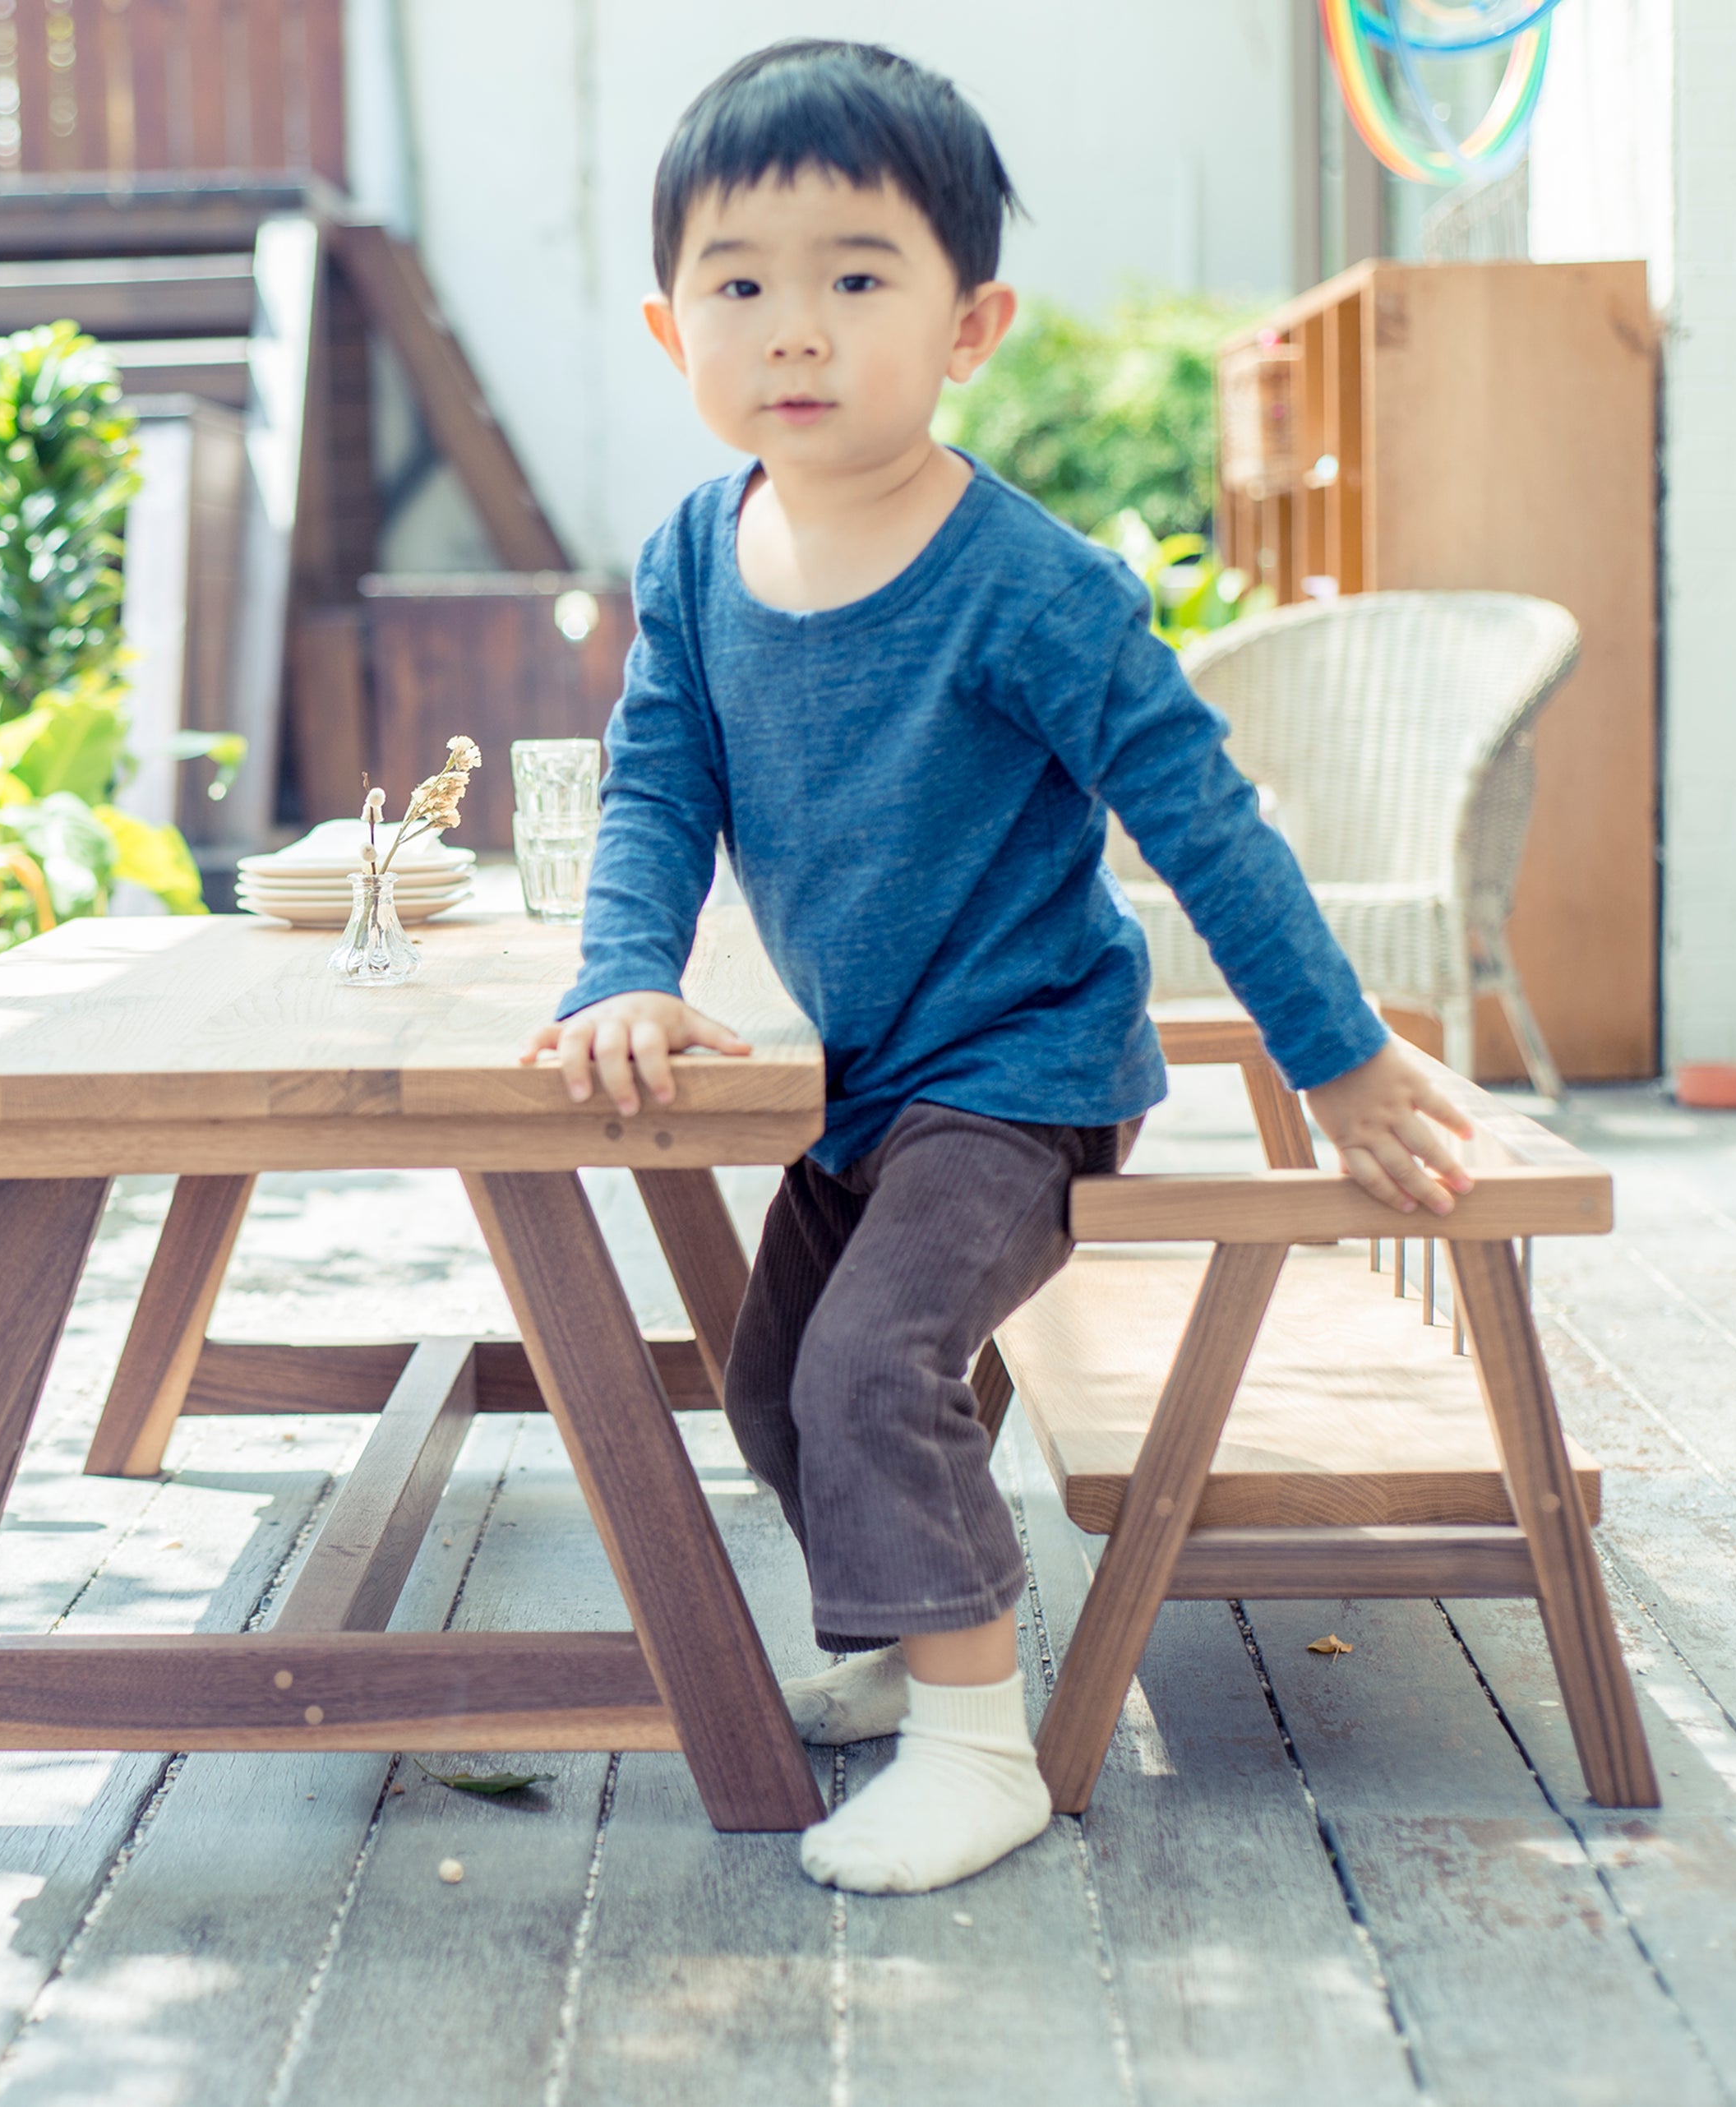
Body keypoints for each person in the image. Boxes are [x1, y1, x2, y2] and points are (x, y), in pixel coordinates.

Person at [520, 39, 1478, 1896]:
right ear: (669, 331)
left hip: (1024, 1075)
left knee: (874, 1362)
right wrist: (619, 968)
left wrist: (1341, 1055)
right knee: (772, 1383)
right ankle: (914, 1640)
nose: (796, 329)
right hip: (860, 1076)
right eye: (739, 286)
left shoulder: (1031, 588)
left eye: (856, 277)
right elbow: (655, 788)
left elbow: (1204, 823)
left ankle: (981, 1752)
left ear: (971, 324)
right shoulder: (696, 563)